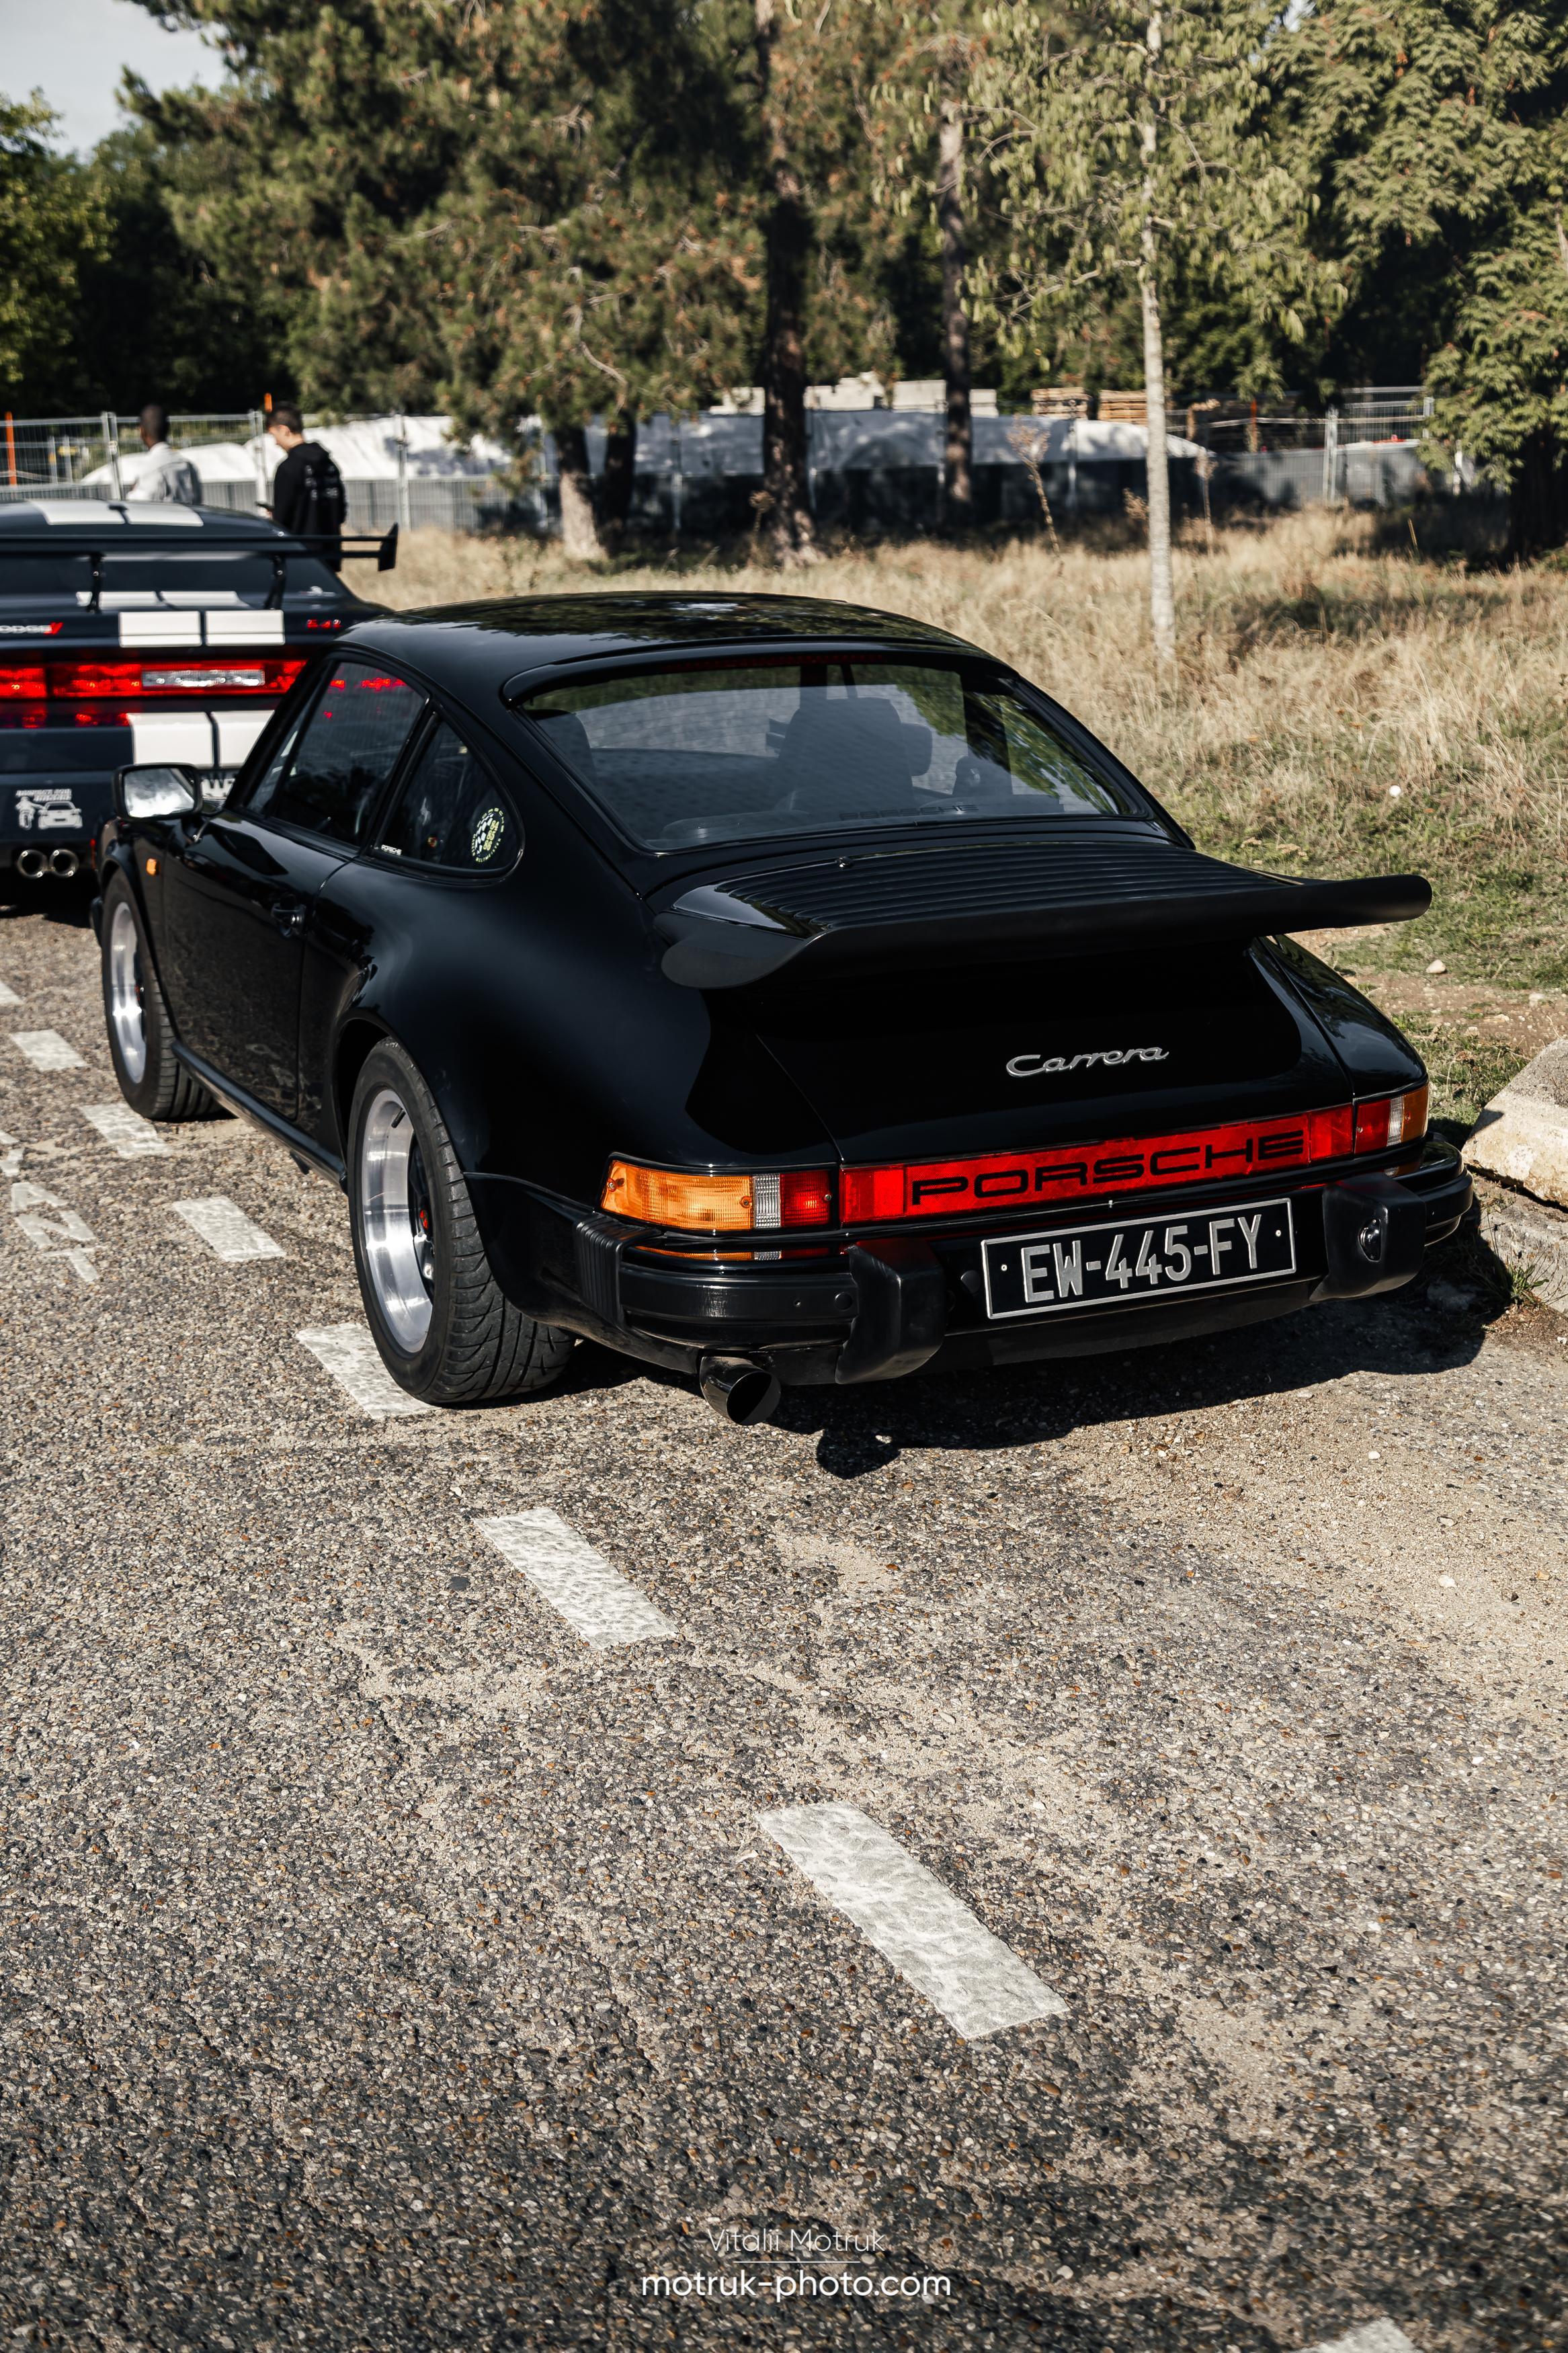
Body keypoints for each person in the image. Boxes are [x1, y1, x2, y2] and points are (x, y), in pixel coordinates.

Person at [265, 405, 347, 569]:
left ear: (284, 430)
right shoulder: (329, 465)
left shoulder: (288, 468)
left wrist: (274, 517)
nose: (275, 442)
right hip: (330, 555)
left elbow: (282, 521)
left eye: (274, 435)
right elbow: (340, 513)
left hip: (299, 557)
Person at [127, 405, 202, 505]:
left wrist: (132, 492)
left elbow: (138, 506)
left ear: (142, 431)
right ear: (167, 429)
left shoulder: (149, 468)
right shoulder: (189, 466)